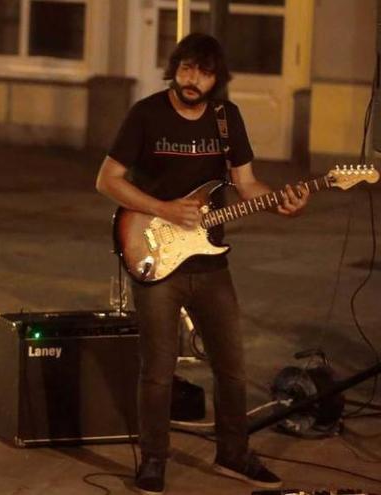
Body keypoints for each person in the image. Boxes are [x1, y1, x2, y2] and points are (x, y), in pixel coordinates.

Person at [95, 33, 309, 494]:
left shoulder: (226, 119)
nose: (194, 80)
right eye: (187, 69)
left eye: (205, 72)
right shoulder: (146, 114)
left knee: (232, 365)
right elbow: (107, 180)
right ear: (174, 69)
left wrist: (279, 203)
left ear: (217, 78)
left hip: (211, 262)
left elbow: (246, 184)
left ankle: (234, 453)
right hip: (153, 248)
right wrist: (167, 209)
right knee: (157, 369)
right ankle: (153, 460)